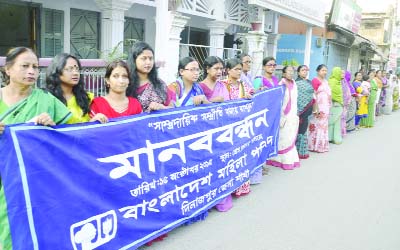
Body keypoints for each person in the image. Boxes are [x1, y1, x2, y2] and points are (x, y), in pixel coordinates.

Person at [0, 47, 71, 250]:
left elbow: (71, 134)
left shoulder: (46, 100)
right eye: (25, 66)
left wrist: (51, 126)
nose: (31, 71)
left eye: (35, 67)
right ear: (8, 69)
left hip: (34, 175)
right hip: (4, 176)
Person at [221, 58, 255, 199]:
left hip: (242, 127)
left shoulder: (244, 85)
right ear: (228, 70)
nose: (239, 71)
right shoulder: (221, 85)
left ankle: (240, 187)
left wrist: (249, 97)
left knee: (241, 156)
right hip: (227, 127)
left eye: (240, 69)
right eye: (236, 69)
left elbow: (254, 97)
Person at [46, 53, 104, 124]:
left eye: (77, 69)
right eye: (70, 69)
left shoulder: (87, 98)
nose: (76, 73)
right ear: (57, 71)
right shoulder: (48, 98)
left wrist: (94, 121)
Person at [266, 66, 300, 170]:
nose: (291, 73)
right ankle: (280, 160)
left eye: (292, 71)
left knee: (291, 137)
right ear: (283, 74)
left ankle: (291, 159)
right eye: (288, 71)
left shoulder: (294, 84)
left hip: (293, 114)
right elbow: (278, 101)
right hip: (284, 115)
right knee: (283, 138)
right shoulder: (281, 85)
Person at [126, 42, 175, 112]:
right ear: (134, 60)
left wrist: (161, 107)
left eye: (151, 58)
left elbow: (173, 110)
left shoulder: (160, 84)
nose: (148, 62)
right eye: (144, 58)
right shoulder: (126, 84)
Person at [308, 64, 331, 153]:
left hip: (326, 106)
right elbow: (313, 95)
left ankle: (321, 145)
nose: (324, 72)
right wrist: (315, 108)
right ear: (318, 71)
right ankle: (314, 145)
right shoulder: (315, 81)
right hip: (318, 106)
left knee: (323, 126)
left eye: (326, 70)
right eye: (322, 70)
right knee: (316, 125)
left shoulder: (326, 81)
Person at [295, 65, 314, 159]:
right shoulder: (296, 83)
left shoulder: (309, 82)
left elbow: (312, 96)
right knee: (297, 130)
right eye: (303, 70)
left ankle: (301, 151)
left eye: (306, 70)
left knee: (303, 130)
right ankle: (295, 151)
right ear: (298, 72)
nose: (305, 72)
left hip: (308, 109)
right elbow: (296, 97)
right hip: (298, 110)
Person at [328, 67, 344, 145]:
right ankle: (334, 138)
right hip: (334, 103)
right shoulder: (332, 81)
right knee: (333, 121)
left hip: (338, 103)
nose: (341, 74)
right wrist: (338, 100)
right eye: (340, 73)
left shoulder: (338, 81)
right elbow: (330, 93)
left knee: (335, 121)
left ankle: (332, 137)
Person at [340, 70, 352, 136]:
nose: (343, 74)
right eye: (341, 73)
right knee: (340, 118)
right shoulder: (338, 82)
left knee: (343, 118)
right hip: (340, 103)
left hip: (345, 103)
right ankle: (338, 133)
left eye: (344, 73)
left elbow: (347, 91)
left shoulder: (344, 81)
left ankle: (342, 132)